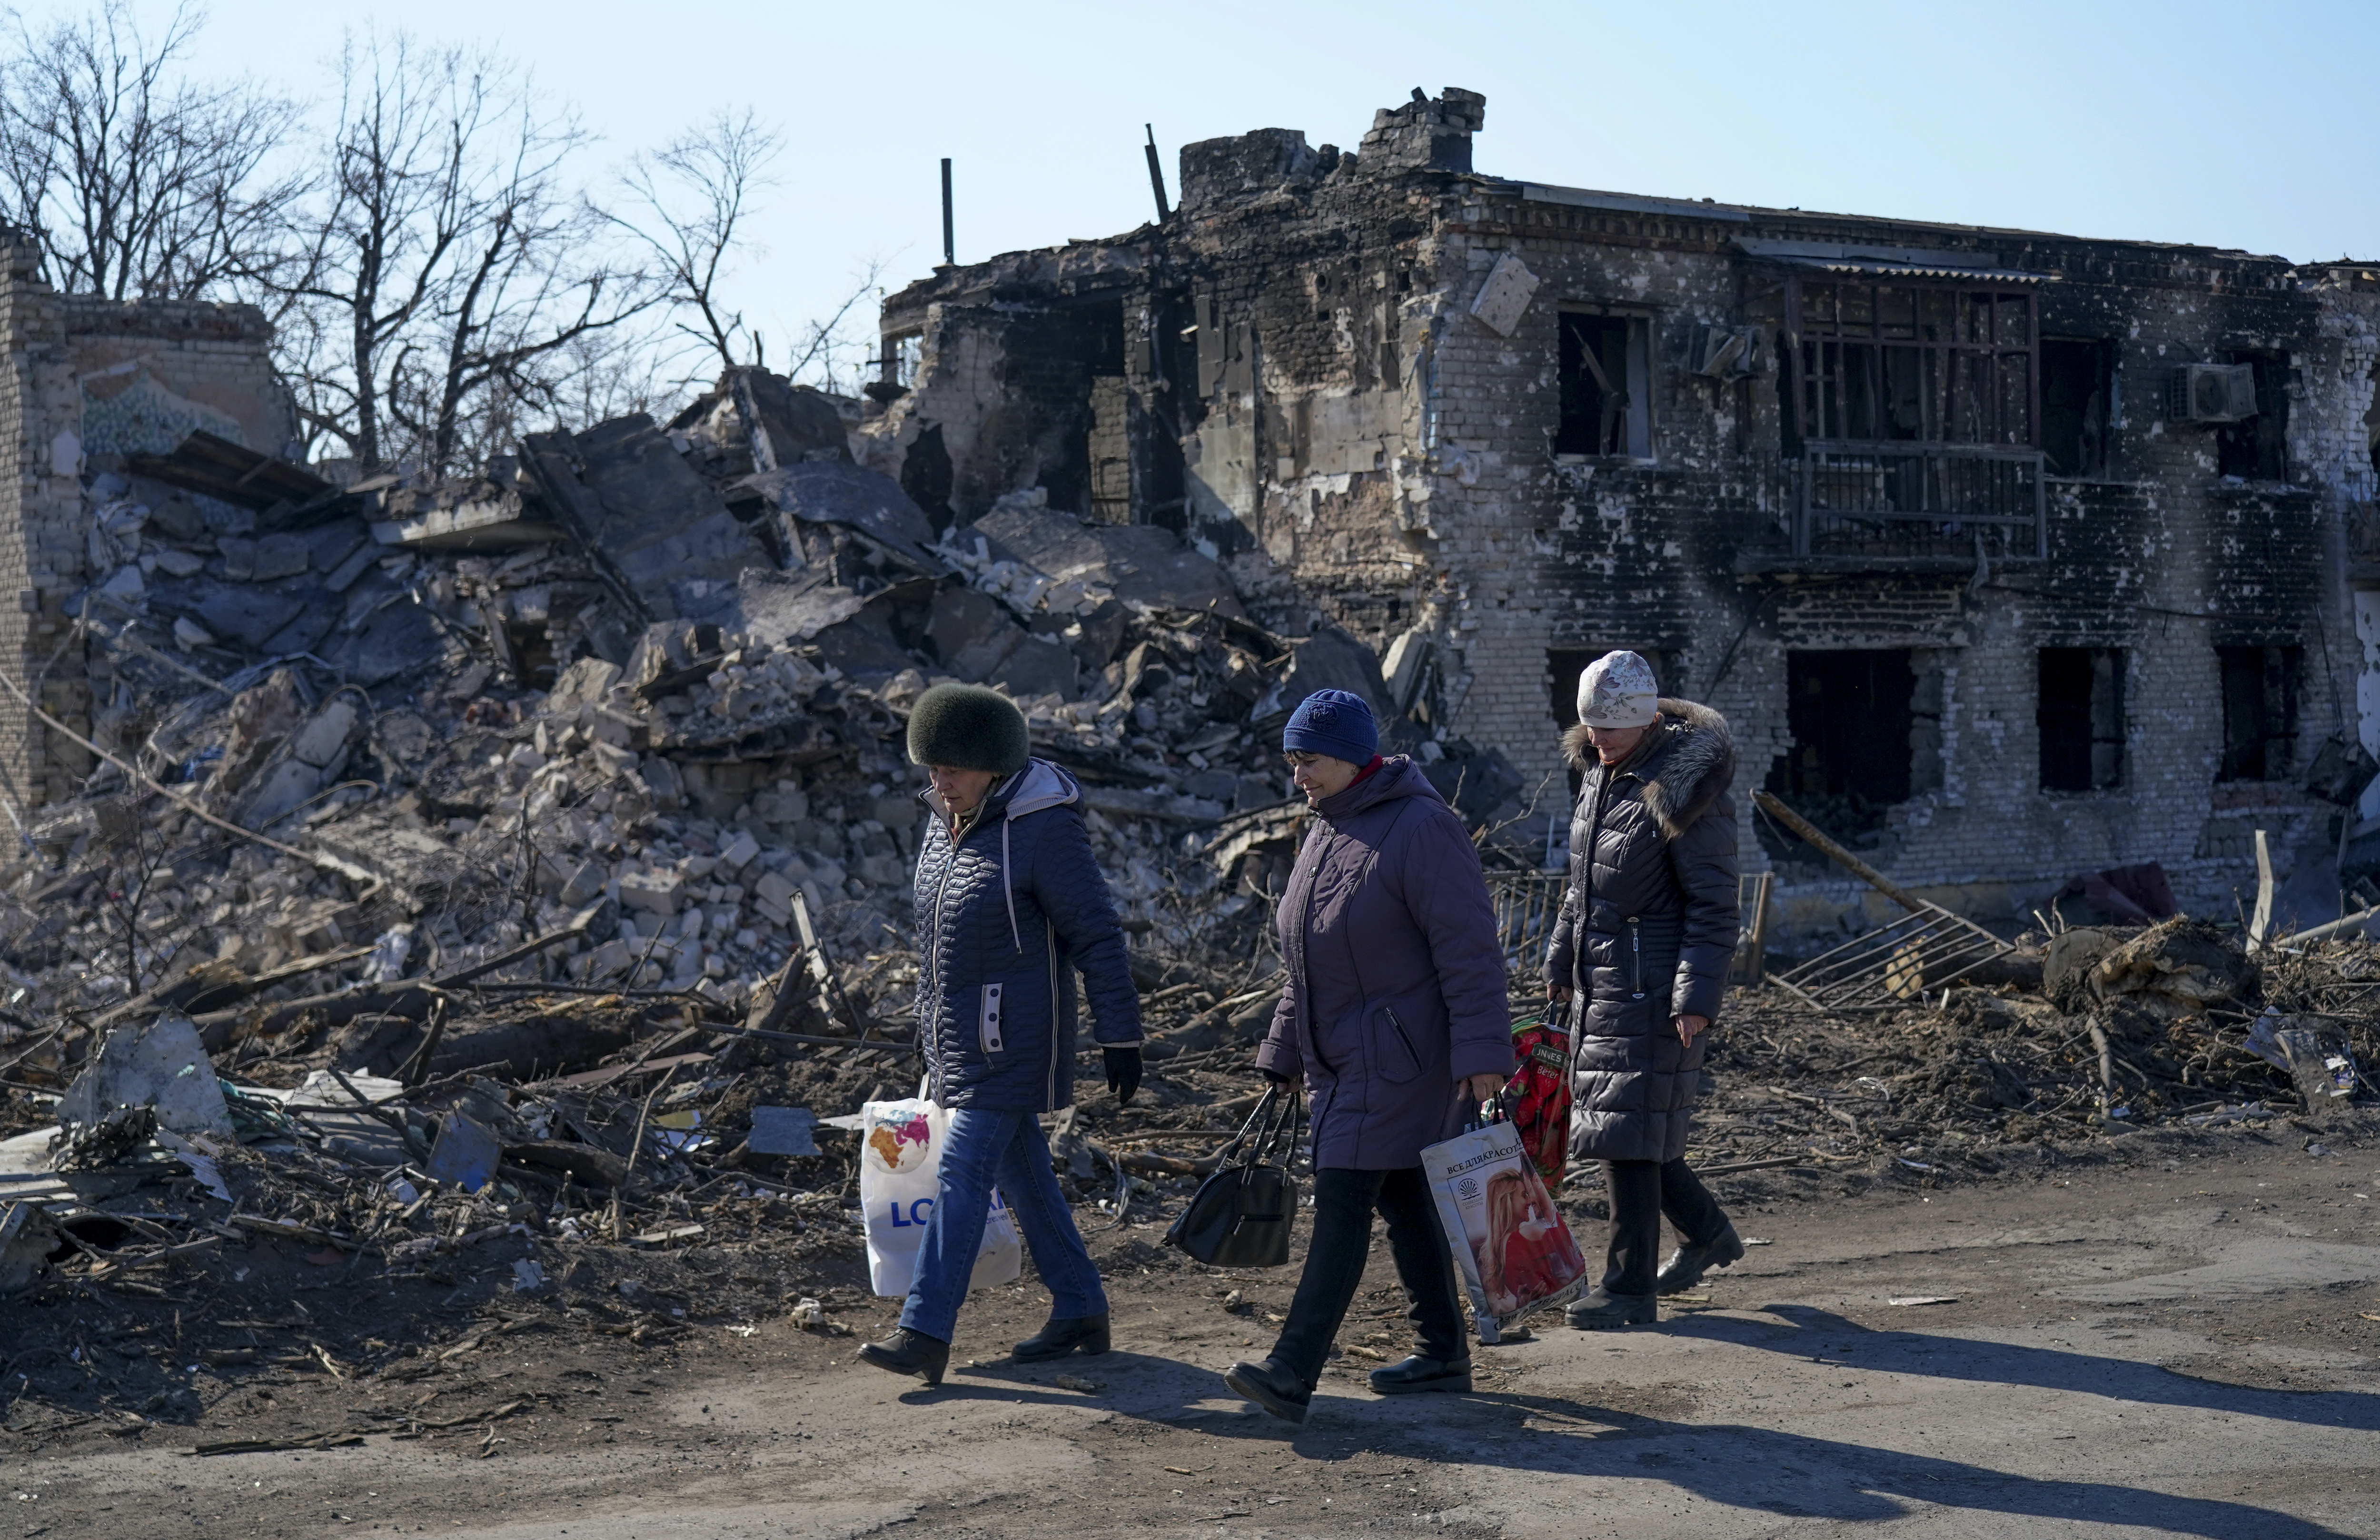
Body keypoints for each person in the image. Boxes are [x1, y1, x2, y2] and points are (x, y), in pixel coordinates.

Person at [1221, 689, 1513, 1425]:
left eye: (1310, 760)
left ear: (1354, 756)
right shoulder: (1323, 829)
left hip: (1407, 1057)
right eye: (1292, 761)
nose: (1299, 777)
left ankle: (1292, 1369)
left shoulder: (1423, 828)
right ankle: (1443, 1349)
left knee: (1345, 1195)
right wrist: (1284, 1051)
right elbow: (1308, 963)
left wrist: (1483, 1054)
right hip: (1341, 1057)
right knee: (1405, 1196)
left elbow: (1471, 951)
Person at [858, 684, 1144, 1387]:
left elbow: (1097, 935)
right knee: (1023, 1171)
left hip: (1015, 1036)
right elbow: (940, 944)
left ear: (993, 765)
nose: (938, 780)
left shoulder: (1045, 827)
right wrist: (929, 1034)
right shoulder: (945, 821)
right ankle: (1080, 1306)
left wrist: (1121, 1035)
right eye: (931, 766)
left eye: (952, 767)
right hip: (959, 1038)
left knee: (962, 1172)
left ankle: (924, 1331)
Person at [1545, 651, 1746, 1330]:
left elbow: (1715, 905)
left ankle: (1630, 1290)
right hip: (1603, 980)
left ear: (1647, 719)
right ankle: (1709, 1234)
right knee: (1633, 1127)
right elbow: (1582, 886)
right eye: (1590, 725)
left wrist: (1695, 996)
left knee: (1625, 1136)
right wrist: (1558, 960)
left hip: (1652, 987)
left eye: (1612, 727)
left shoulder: (1685, 789)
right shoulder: (1605, 774)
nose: (1597, 739)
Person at [1479, 1169, 1583, 1315]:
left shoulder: (1497, 1248)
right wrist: (1543, 1198)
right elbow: (1563, 1240)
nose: (1529, 1201)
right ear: (1507, 1201)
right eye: (1524, 1195)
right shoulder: (1524, 1234)